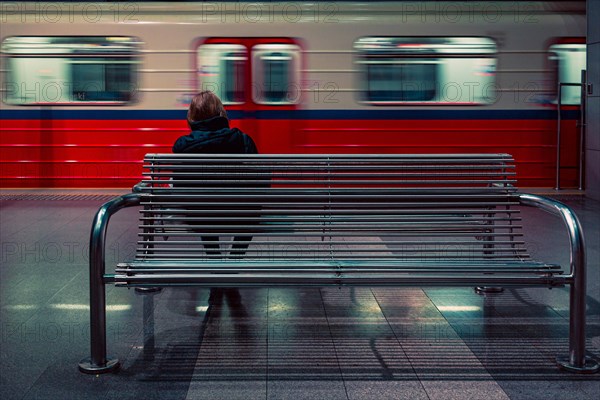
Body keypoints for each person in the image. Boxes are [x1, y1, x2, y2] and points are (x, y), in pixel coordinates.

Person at [172, 90, 260, 258]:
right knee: (249, 211)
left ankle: (214, 256)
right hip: (241, 218)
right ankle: (235, 258)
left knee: (201, 205)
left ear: (192, 116)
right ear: (221, 113)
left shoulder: (183, 146)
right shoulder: (242, 140)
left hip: (201, 219)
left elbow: (179, 188)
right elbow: (261, 182)